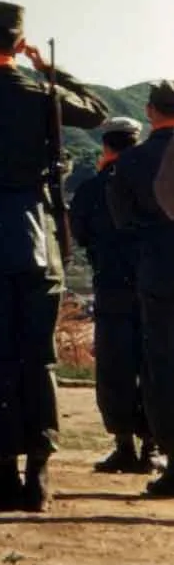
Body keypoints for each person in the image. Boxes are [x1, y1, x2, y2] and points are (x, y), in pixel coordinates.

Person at [0, 2, 108, 512]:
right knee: (38, 358)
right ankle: (40, 475)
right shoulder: (43, 94)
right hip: (35, 239)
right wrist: (48, 68)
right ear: (20, 41)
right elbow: (93, 110)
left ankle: (2, 474)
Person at [69, 116, 156, 473]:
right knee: (154, 364)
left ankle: (124, 445)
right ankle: (152, 446)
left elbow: (81, 233)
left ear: (106, 146)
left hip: (111, 285)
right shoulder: (156, 181)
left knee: (115, 366)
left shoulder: (91, 189)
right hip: (155, 286)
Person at [108, 81, 174, 496]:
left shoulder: (130, 163)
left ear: (150, 111)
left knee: (163, 366)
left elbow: (122, 221)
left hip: (159, 269)